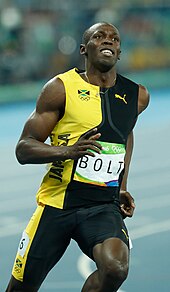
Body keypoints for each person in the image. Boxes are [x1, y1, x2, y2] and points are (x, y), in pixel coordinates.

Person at [6, 22, 149, 292]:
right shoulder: (60, 88)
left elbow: (124, 135)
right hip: (57, 205)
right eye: (99, 36)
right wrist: (68, 152)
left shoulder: (137, 96)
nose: (108, 41)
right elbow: (23, 148)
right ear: (85, 49)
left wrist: (121, 186)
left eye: (114, 39)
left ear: (119, 52)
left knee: (115, 269)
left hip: (102, 207)